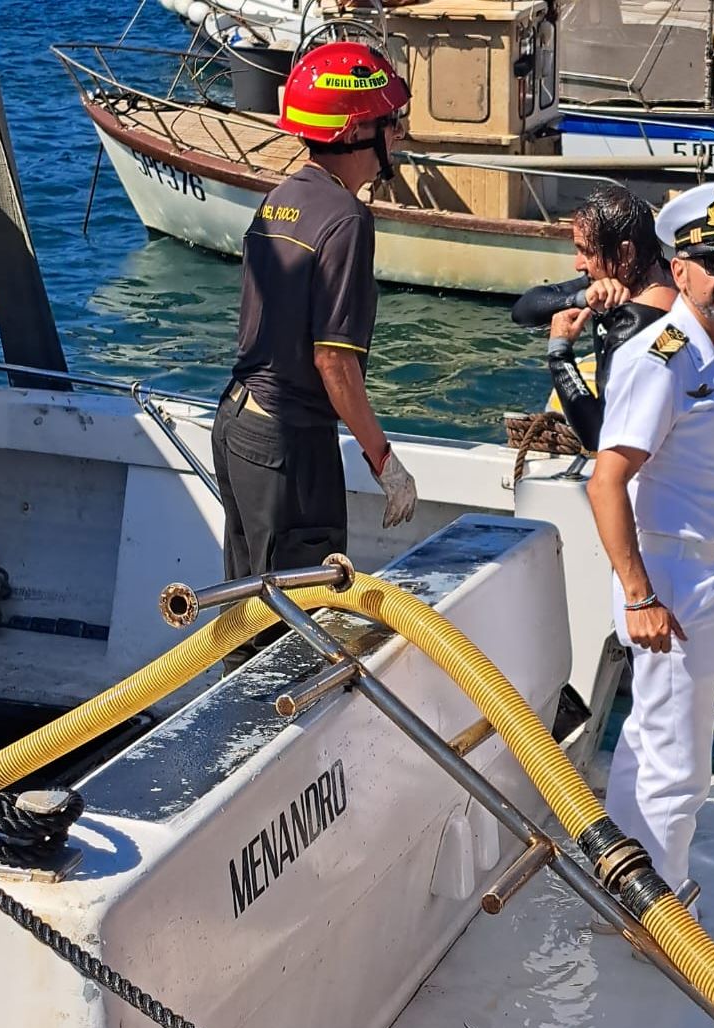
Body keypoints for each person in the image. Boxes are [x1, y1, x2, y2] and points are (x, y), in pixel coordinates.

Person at [585, 181, 714, 905]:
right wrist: (639, 595)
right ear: (681, 267)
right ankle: (659, 914)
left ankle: (629, 899)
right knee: (678, 763)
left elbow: (713, 474)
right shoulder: (663, 357)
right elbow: (607, 483)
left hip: (703, 577)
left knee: (650, 744)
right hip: (665, 582)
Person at [212, 41, 418, 671]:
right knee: (294, 633)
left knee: (246, 614)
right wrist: (385, 460)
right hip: (287, 448)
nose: (400, 134)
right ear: (358, 131)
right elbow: (335, 362)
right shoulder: (348, 219)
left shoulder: (282, 197)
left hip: (239, 425)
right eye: (391, 123)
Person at [520, 186, 677, 450]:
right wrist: (581, 298)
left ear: (626, 253)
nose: (578, 264)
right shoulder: (653, 273)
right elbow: (524, 310)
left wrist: (559, 352)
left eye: (585, 251)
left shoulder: (638, 325)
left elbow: (599, 435)